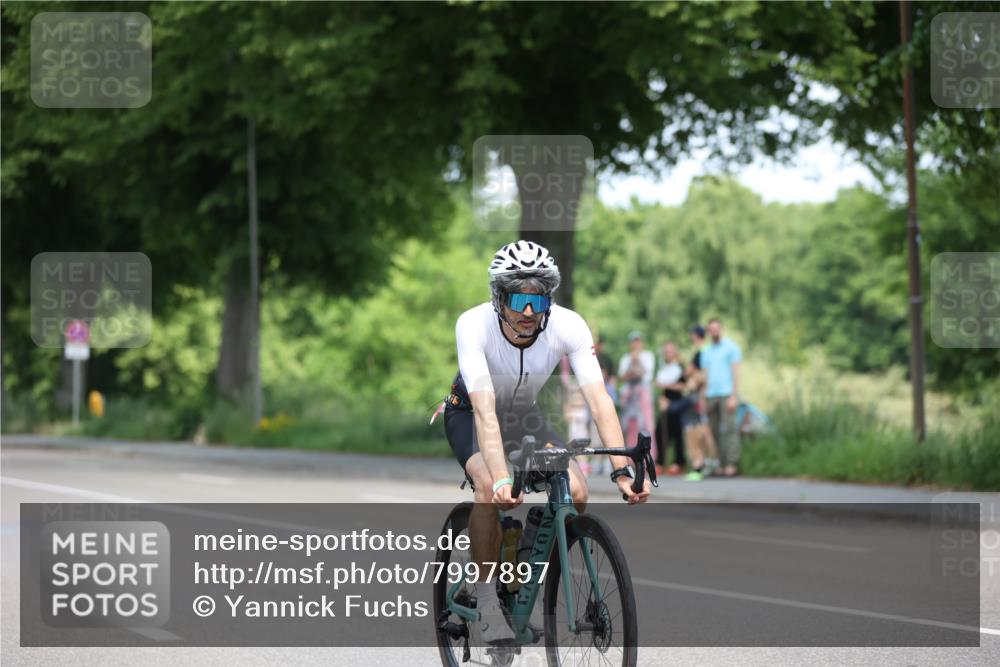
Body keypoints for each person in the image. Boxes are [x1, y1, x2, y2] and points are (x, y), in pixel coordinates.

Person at [442, 240, 651, 644]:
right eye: (518, 299)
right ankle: (486, 603)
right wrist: (502, 478)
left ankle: (529, 565)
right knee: (488, 486)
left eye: (537, 301)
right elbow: (485, 411)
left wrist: (622, 472)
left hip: (523, 413)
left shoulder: (568, 325)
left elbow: (599, 399)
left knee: (576, 490)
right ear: (498, 296)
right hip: (471, 411)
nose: (526, 312)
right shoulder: (472, 324)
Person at [701, 318, 743, 477]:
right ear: (709, 331)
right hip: (711, 394)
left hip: (726, 393)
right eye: (711, 329)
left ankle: (731, 463)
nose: (714, 331)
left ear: (721, 329)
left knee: (730, 429)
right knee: (713, 431)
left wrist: (734, 395)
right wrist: (703, 397)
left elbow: (736, 373)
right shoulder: (706, 351)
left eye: (716, 328)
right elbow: (705, 376)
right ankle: (718, 463)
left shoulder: (731, 348)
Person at [617, 331, 657, 460]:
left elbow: (646, 374)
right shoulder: (625, 358)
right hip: (630, 394)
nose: (636, 344)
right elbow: (622, 376)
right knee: (630, 425)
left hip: (643, 392)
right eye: (633, 341)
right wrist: (632, 367)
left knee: (646, 424)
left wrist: (636, 361)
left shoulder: (648, 356)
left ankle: (649, 457)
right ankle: (631, 458)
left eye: (638, 341)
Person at [654, 341, 689, 474]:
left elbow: (683, 386)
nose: (668, 353)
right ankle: (661, 462)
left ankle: (679, 462)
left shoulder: (680, 367)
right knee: (660, 432)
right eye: (666, 351)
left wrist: (666, 385)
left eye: (670, 351)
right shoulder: (664, 368)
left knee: (677, 433)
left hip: (676, 402)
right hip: (664, 402)